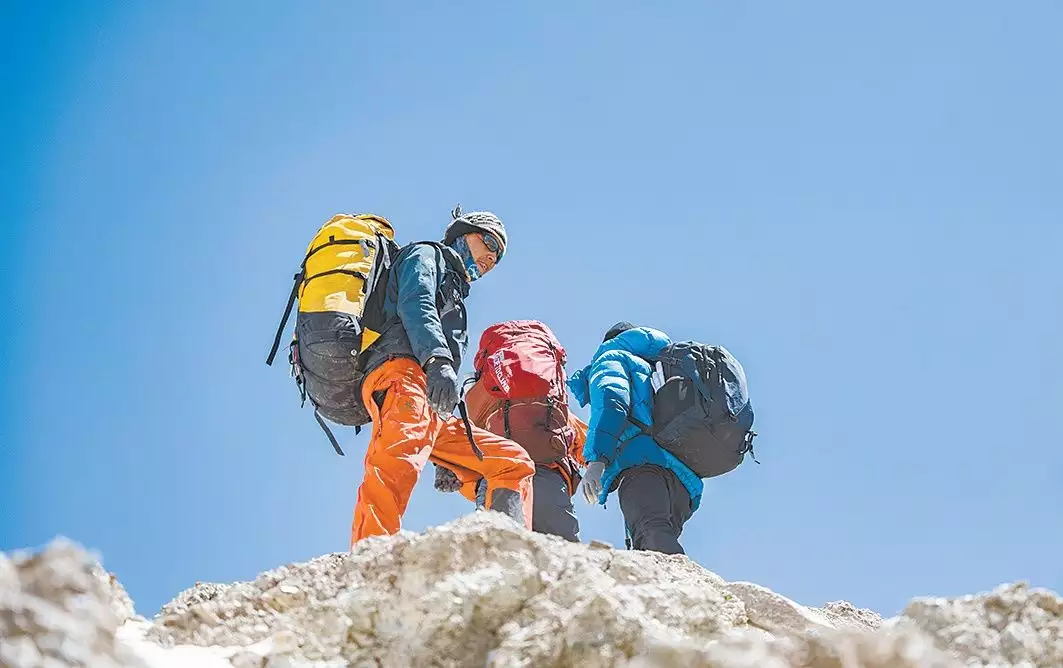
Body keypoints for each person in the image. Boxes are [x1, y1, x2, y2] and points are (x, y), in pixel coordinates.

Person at [349, 207, 535, 546]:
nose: (491, 258)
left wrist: (441, 444)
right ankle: (368, 559)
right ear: (462, 234)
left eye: (498, 256)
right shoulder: (426, 254)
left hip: (430, 400)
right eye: (488, 243)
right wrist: (436, 358)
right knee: (395, 466)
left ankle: (507, 552)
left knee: (511, 461)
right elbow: (416, 302)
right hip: (402, 374)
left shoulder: (456, 290)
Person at [438, 320, 590, 541]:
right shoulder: (552, 402)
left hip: (498, 479)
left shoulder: (481, 389)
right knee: (561, 560)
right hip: (549, 477)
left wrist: (445, 467)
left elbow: (464, 437)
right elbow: (586, 442)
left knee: (503, 554)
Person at [567, 322, 703, 555]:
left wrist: (597, 461)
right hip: (684, 479)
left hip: (642, 466)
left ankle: (688, 590)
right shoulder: (663, 366)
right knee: (652, 540)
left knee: (651, 536)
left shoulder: (612, 357)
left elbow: (612, 401)